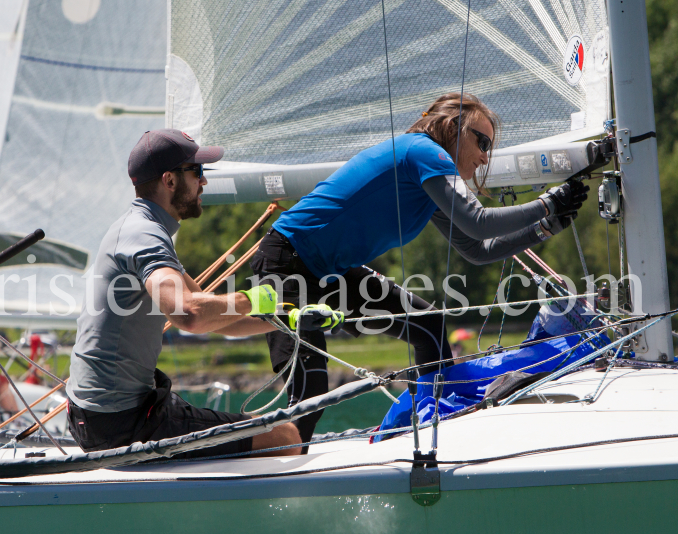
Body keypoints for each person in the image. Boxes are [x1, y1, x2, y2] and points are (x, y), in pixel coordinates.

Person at [251, 93, 589, 442]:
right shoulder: (424, 152)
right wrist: (547, 204)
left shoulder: (428, 180)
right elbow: (478, 222)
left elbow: (476, 249)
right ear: (451, 127)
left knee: (427, 323)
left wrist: (544, 227)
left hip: (329, 270)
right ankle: (268, 456)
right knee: (311, 392)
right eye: (482, 141)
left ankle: (433, 427)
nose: (485, 156)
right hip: (286, 261)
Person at [66, 129, 341, 458]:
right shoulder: (144, 236)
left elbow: (216, 320)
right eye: (197, 172)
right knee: (287, 439)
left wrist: (287, 319)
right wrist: (253, 298)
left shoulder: (138, 229)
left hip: (103, 417)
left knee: (265, 429)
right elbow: (190, 314)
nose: (204, 182)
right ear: (169, 181)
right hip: (124, 423)